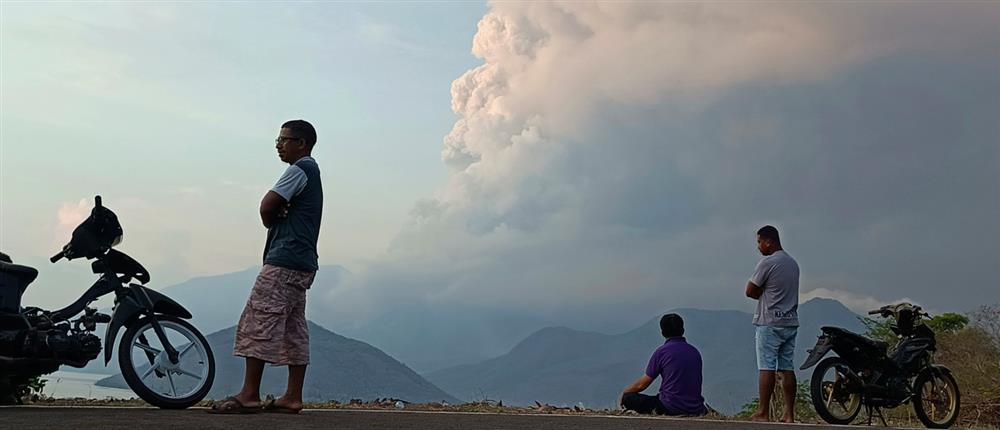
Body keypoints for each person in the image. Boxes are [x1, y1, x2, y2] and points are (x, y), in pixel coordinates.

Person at [211, 119, 323, 414]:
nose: (278, 144)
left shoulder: (299, 169)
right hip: (303, 264)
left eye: (284, 139)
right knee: (293, 328)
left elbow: (266, 205)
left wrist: (271, 219)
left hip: (283, 261)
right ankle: (292, 396)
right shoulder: (312, 172)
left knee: (258, 321)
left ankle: (249, 394)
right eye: (278, 139)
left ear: (302, 143)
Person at [745, 225, 800, 423]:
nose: (758, 246)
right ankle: (789, 414)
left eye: (759, 242)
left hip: (769, 322)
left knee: (766, 366)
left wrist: (763, 293)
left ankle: (763, 412)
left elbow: (750, 290)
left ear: (768, 241)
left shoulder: (767, 262)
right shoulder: (793, 263)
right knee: (787, 367)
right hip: (790, 321)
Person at [620, 314, 708, 416]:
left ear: (663, 332)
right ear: (683, 330)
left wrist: (625, 393)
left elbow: (642, 385)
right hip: (695, 408)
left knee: (629, 398)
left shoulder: (662, 352)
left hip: (669, 407)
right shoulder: (694, 352)